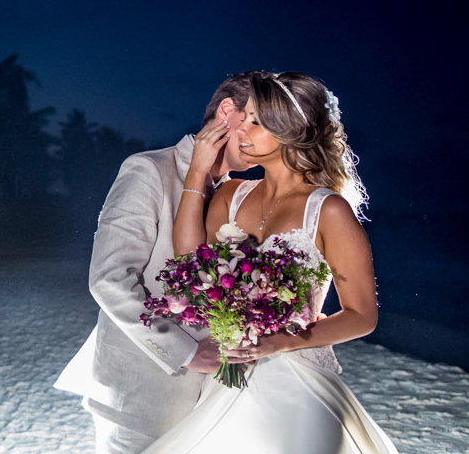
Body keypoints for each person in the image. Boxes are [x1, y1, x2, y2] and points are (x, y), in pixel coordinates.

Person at [144, 71, 398, 453]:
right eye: (243, 118)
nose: (240, 130)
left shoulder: (328, 210)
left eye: (255, 122)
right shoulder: (232, 194)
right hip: (230, 377)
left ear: (290, 131)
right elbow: (189, 261)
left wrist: (279, 343)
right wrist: (198, 170)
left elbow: (362, 316)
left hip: (298, 381)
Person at [54, 73, 255, 453]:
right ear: (228, 111)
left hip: (211, 400)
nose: (269, 140)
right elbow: (109, 279)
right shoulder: (150, 169)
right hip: (141, 397)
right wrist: (188, 352)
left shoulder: (237, 194)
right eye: (262, 123)